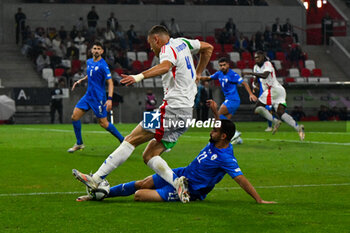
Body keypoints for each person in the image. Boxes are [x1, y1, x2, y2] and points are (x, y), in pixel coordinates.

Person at [72, 25, 213, 203]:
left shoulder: (166, 48)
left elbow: (165, 67)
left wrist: (138, 77)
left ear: (156, 39)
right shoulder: (183, 42)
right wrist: (198, 73)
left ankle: (97, 178)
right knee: (149, 155)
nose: (151, 49)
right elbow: (208, 48)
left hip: (171, 110)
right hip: (186, 114)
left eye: (150, 44)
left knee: (130, 139)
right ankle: (177, 183)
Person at [76, 100, 276, 204]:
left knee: (139, 194)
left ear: (223, 136)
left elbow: (240, 178)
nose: (210, 131)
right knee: (142, 182)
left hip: (191, 189)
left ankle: (180, 193)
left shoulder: (226, 157)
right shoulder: (219, 142)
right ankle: (100, 193)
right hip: (182, 174)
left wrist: (259, 199)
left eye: (215, 130)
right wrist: (215, 111)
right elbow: (220, 125)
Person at [67, 41, 124, 153]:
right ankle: (79, 143)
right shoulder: (89, 62)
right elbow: (91, 73)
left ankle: (123, 141)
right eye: (94, 48)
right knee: (74, 117)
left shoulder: (103, 65)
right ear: (91, 50)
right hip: (88, 96)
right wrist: (81, 80)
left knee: (103, 123)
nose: (96, 50)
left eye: (99, 48)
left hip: (99, 98)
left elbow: (110, 82)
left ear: (102, 51)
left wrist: (110, 99)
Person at [242, 51, 305, 140]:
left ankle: (275, 122)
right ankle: (298, 128)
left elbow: (264, 75)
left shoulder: (267, 64)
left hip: (273, 90)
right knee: (280, 112)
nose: (256, 59)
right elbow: (256, 79)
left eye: (258, 57)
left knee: (257, 108)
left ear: (263, 57)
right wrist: (255, 86)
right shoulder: (256, 67)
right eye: (255, 58)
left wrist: (250, 74)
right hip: (278, 91)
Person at [197, 57, 257, 144]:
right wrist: (198, 77)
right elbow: (209, 78)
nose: (222, 67)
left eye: (224, 65)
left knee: (217, 117)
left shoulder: (233, 74)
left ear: (228, 65)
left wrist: (251, 94)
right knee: (224, 122)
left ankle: (235, 132)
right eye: (221, 65)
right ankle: (237, 139)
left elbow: (244, 83)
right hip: (230, 100)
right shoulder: (219, 73)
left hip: (233, 100)